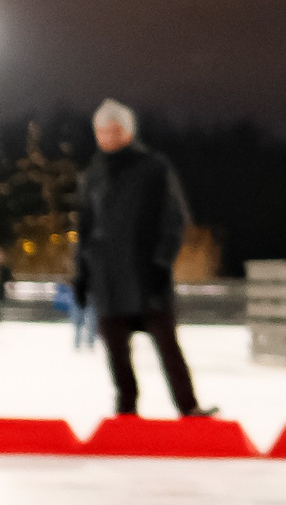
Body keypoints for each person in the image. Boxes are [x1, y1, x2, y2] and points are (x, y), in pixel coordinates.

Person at [75, 100, 215, 418]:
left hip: (146, 275)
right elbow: (84, 226)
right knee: (116, 352)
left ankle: (188, 407)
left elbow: (173, 219)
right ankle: (126, 410)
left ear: (126, 132)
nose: (104, 138)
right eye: (99, 132)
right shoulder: (94, 174)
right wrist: (81, 272)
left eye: (111, 131)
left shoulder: (153, 168)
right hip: (108, 277)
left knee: (167, 345)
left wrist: (161, 262)